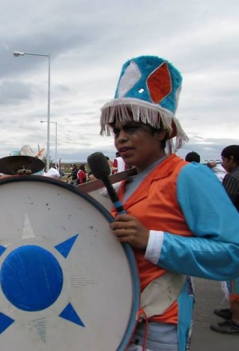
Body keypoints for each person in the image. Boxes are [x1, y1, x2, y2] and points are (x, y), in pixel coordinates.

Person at [99, 55, 239, 350]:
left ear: (162, 130)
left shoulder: (189, 176)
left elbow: (232, 254)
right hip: (113, 321)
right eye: (116, 131)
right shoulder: (124, 184)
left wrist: (151, 241)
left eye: (132, 129)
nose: (121, 139)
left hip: (158, 328)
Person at [210, 145, 239, 334]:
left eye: (223, 159)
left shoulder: (233, 178)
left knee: (235, 278)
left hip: (235, 235)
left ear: (231, 158)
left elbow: (224, 207)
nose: (222, 163)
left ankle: (236, 321)